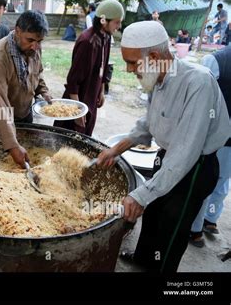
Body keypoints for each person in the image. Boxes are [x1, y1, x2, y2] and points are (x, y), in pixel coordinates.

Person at [97, 21, 230, 272]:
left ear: (155, 56)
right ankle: (143, 260)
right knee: (154, 213)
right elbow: (149, 121)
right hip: (168, 158)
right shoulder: (156, 77)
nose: (128, 69)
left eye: (132, 62)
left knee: (171, 227)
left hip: (195, 168)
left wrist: (140, 195)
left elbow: (185, 152)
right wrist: (116, 149)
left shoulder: (197, 83)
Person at [0, 10, 51, 167]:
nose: (35, 46)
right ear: (17, 31)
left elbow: (37, 72)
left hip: (23, 112)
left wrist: (44, 92)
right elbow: (0, 105)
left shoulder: (34, 47)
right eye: (30, 40)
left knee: (28, 153)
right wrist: (12, 145)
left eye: (40, 41)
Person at [54, 0, 124, 136]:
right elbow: (73, 82)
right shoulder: (87, 41)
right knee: (68, 146)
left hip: (92, 99)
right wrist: (77, 111)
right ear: (104, 20)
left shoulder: (106, 37)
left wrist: (102, 90)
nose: (119, 26)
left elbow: (104, 66)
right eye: (117, 22)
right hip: (76, 102)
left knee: (86, 139)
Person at [189, 45, 231, 247]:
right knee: (208, 181)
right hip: (216, 136)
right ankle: (194, 229)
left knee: (223, 181)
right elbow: (200, 97)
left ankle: (209, 219)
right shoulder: (215, 60)